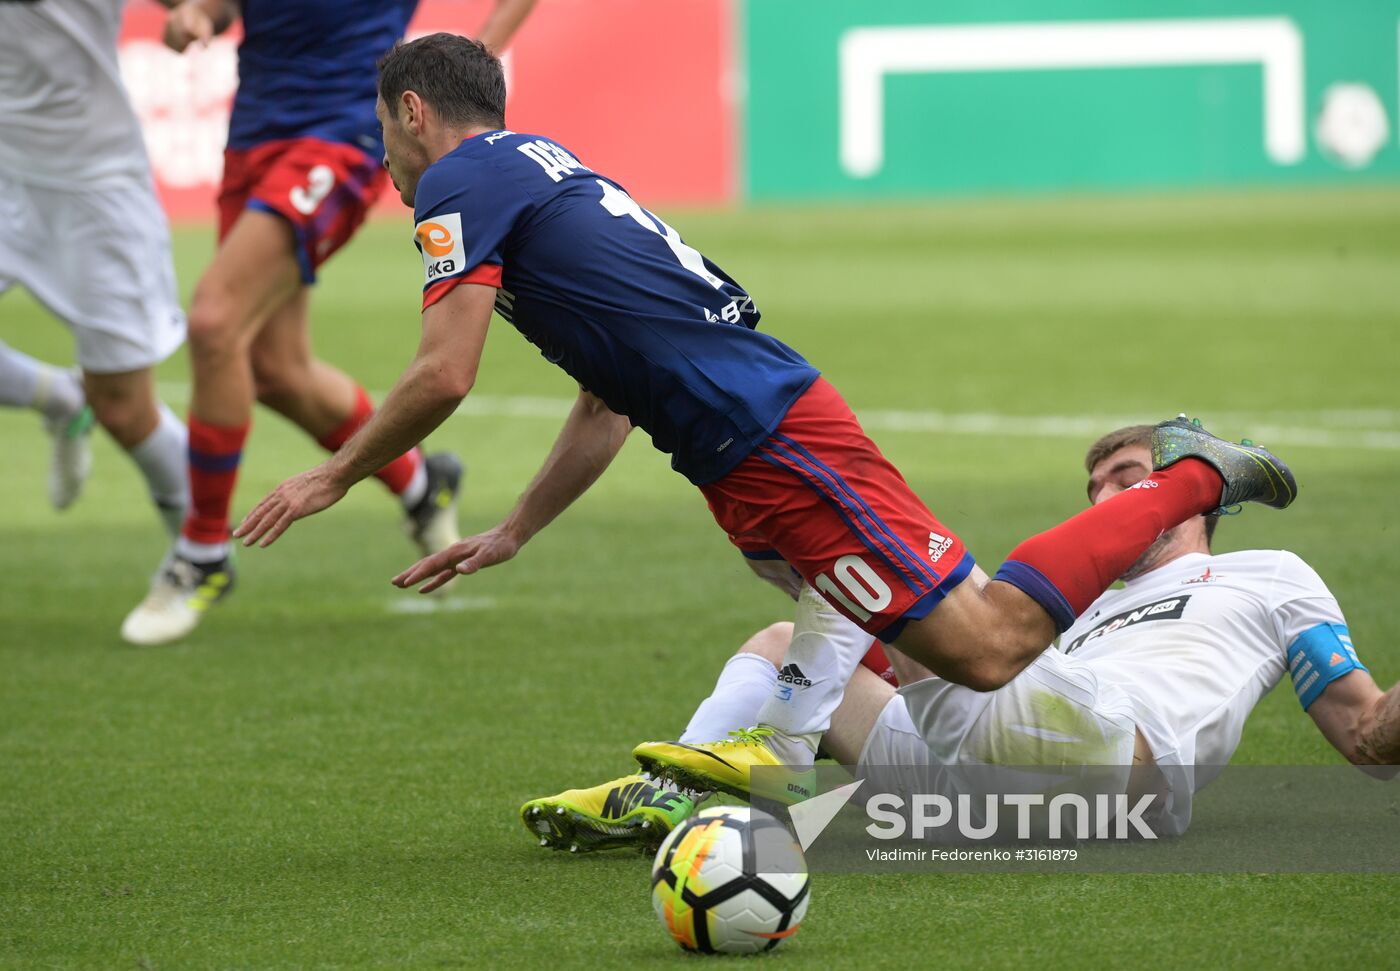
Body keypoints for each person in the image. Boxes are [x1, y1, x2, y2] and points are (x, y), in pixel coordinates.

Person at [233, 36, 1298, 797]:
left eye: (385, 131)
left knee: (982, 645)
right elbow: (608, 398)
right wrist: (515, 529)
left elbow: (440, 375)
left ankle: (1191, 476)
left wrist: (333, 473)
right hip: (740, 440)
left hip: (770, 434)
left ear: (414, 112)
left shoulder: (460, 180)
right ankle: (755, 757)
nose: (384, 155)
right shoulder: (543, 174)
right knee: (796, 582)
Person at [523, 425, 1397, 851]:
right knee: (786, 636)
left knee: (889, 570)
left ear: (1187, 494)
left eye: (1128, 479)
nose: (1104, 499)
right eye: (1094, 485)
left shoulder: (1270, 575)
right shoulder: (1080, 603)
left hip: (1113, 766)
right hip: (985, 779)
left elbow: (1366, 734)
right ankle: (674, 791)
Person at [121, 1, 537, 645]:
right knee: (275, 368)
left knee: (214, 322)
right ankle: (424, 486)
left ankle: (202, 552)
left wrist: (476, 60)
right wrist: (198, 15)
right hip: (255, 130)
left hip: (340, 132)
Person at [0, 0, 191, 537]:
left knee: (125, 408)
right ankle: (58, 396)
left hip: (92, 184)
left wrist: (195, 11)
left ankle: (200, 553)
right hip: (3, 164)